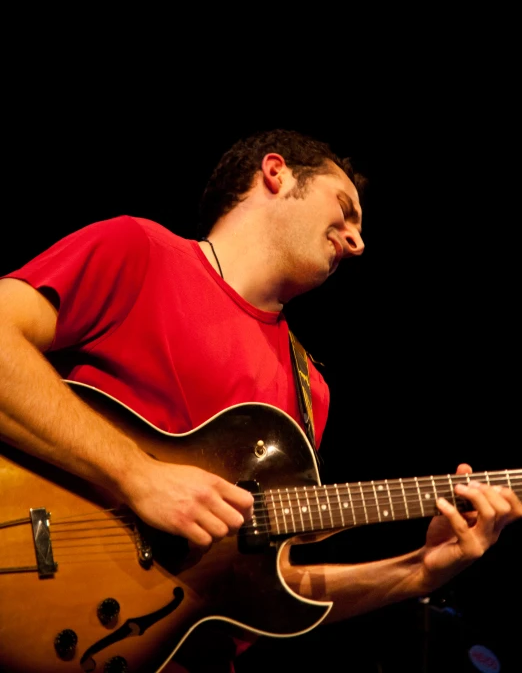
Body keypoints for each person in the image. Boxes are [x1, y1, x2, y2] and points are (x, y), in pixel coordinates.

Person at [0, 128, 520, 673]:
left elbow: (259, 589)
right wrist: (136, 474)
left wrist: (420, 570)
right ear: (276, 173)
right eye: (344, 209)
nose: (358, 241)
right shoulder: (140, 251)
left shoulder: (309, 389)